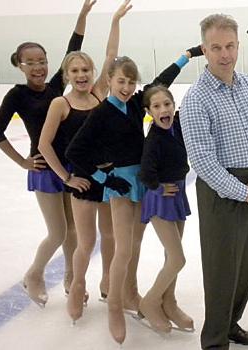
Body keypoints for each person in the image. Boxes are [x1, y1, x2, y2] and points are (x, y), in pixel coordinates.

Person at [66, 44, 202, 343]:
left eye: (131, 82)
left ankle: (134, 294)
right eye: (121, 82)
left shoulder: (134, 104)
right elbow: (75, 150)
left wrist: (187, 56)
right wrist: (104, 178)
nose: (127, 87)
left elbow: (159, 85)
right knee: (123, 249)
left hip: (142, 179)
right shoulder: (102, 111)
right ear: (110, 80)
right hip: (121, 186)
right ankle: (114, 305)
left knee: (137, 245)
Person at [0, 0, 95, 307]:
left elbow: (75, 45)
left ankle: (71, 279)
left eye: (42, 61)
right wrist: (22, 161)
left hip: (69, 168)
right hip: (45, 171)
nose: (38, 67)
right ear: (20, 66)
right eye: (30, 62)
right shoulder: (17, 95)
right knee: (58, 232)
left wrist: (83, 14)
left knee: (74, 229)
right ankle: (33, 275)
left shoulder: (55, 87)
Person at [179, 13, 248, 350]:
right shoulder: (195, 99)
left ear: (238, 45)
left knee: (244, 264)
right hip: (222, 191)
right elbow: (203, 161)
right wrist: (243, 191)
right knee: (221, 269)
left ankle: (231, 324)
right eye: (217, 47)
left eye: (230, 46)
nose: (225, 54)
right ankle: (215, 342)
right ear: (204, 49)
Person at [38, 0, 132, 322]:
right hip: (81, 178)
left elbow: (110, 55)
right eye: (75, 71)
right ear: (66, 75)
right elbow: (44, 144)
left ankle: (107, 280)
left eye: (85, 70)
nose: (81, 75)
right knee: (86, 239)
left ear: (93, 74)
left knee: (110, 235)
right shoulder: (60, 104)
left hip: (107, 177)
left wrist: (116, 20)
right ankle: (78, 285)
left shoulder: (98, 94)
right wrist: (65, 177)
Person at [137, 84, 194, 333]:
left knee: (171, 256)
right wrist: (159, 189)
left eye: (167, 104)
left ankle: (169, 302)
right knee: (178, 258)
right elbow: (145, 174)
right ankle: (150, 302)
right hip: (161, 198)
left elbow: (190, 106)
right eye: (157, 106)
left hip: (178, 193)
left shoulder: (177, 125)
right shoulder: (154, 140)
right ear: (149, 111)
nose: (164, 109)